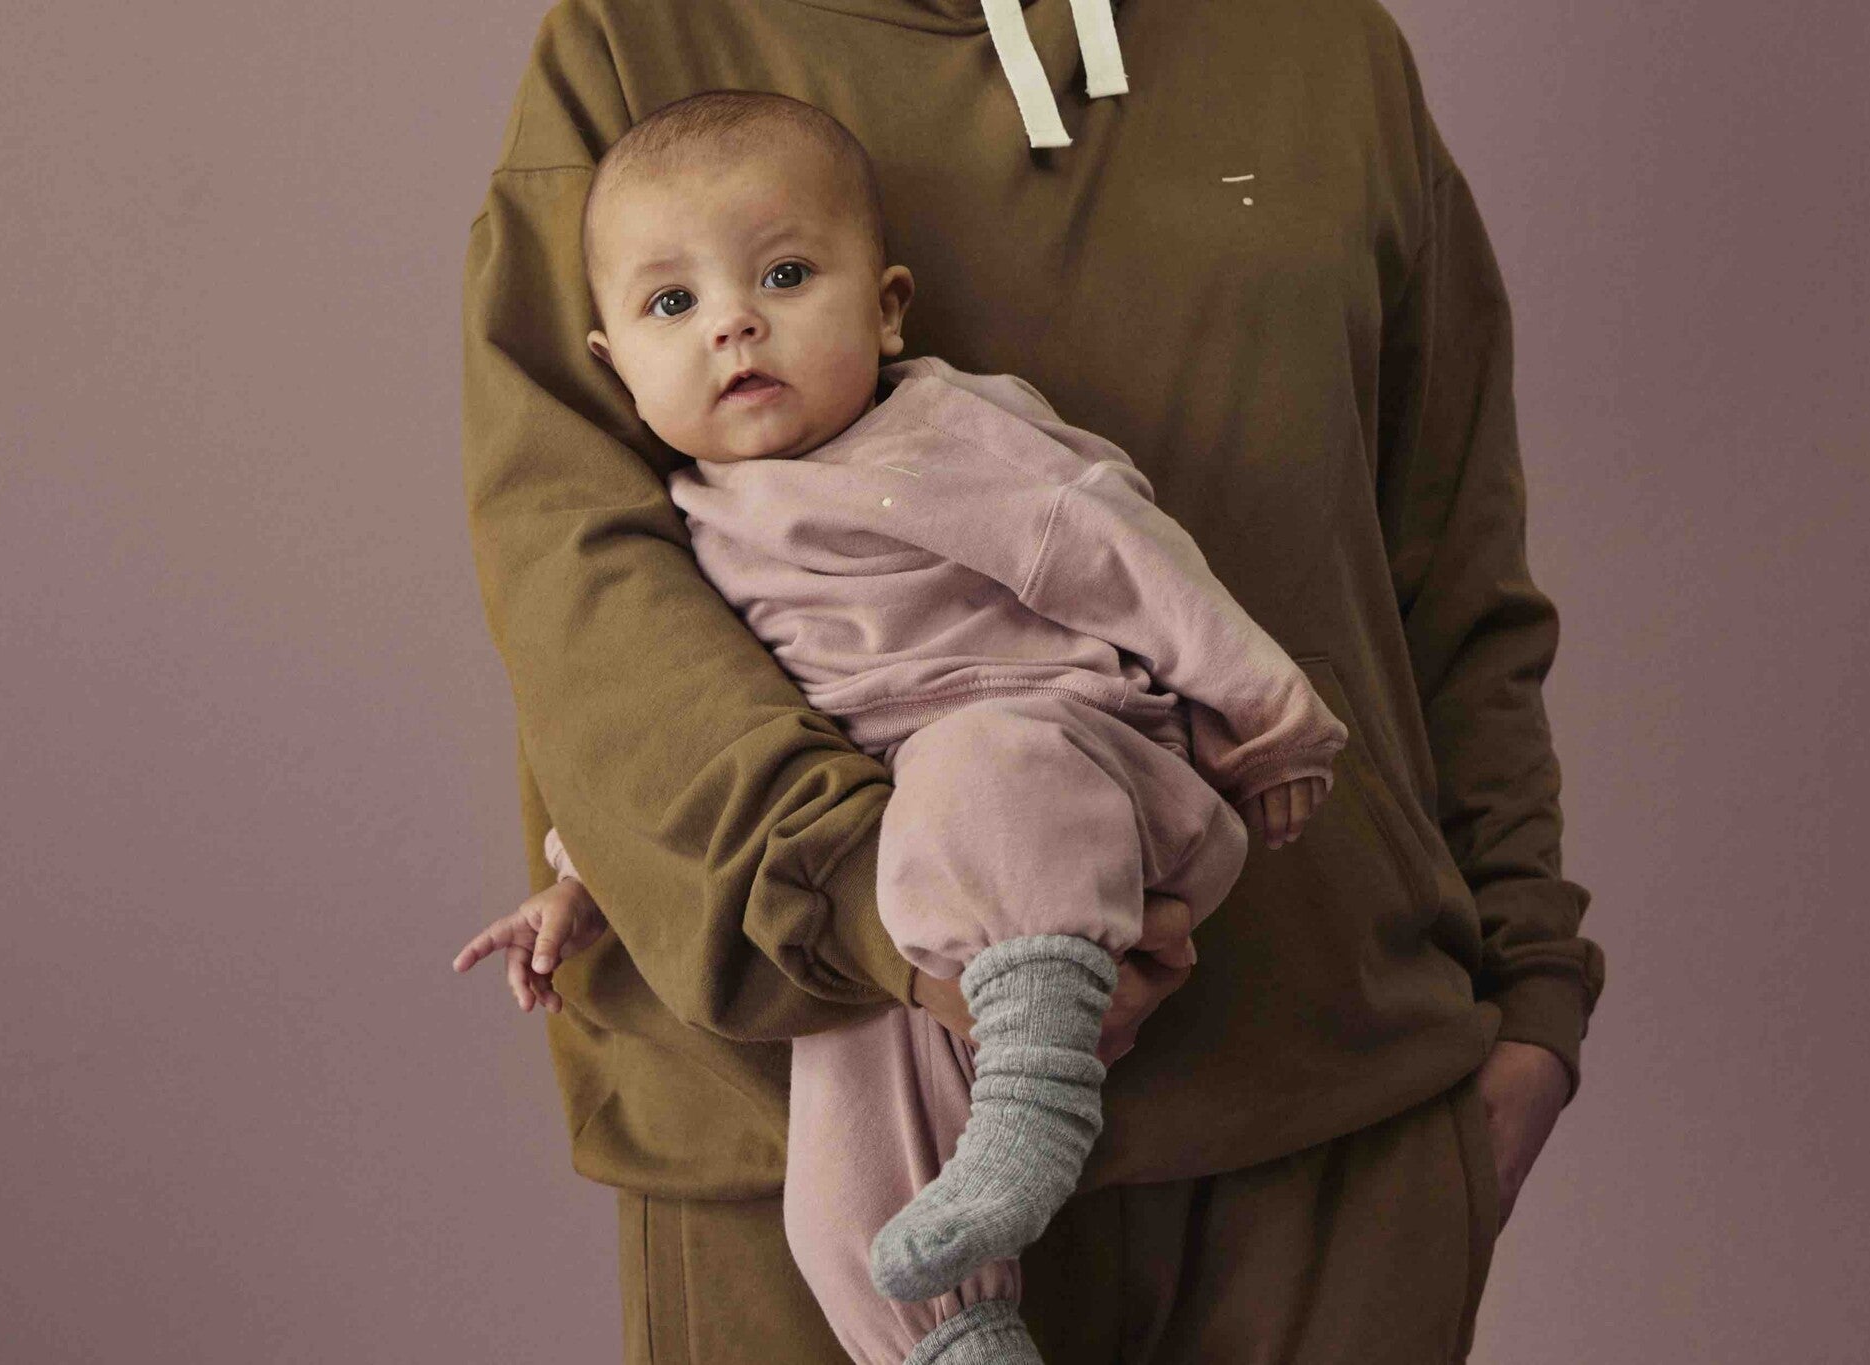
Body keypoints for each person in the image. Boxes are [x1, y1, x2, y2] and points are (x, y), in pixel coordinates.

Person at [458, 1, 1608, 1361]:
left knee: (1002, 761)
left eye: (785, 278)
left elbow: (1448, 551)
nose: (734, 326)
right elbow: (584, 593)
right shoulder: (635, 40)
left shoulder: (1321, 41)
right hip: (811, 1091)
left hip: (1328, 1110)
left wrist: (1535, 997)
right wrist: (877, 912)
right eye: (679, 303)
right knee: (870, 1238)